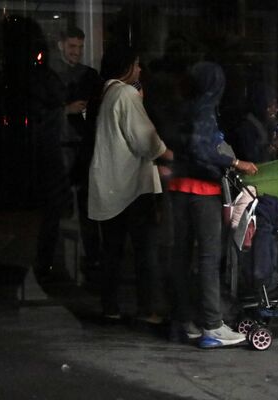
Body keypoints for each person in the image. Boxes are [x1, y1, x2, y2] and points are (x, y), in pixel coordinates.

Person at [168, 61, 258, 348]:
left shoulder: (182, 107)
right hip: (203, 192)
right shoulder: (205, 109)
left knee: (182, 257)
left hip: (178, 189)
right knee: (208, 258)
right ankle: (212, 326)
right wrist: (234, 161)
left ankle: (187, 321)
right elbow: (201, 147)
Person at [0, 15, 69, 285]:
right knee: (22, 253)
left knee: (15, 253)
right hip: (35, 182)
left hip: (24, 183)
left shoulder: (16, 85)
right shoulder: (34, 82)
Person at [88, 44, 173, 319]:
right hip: (132, 187)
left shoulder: (106, 93)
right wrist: (171, 155)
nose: (139, 70)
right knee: (145, 250)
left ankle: (109, 306)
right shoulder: (125, 93)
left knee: (111, 250)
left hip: (109, 184)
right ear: (124, 67)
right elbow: (145, 139)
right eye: (135, 64)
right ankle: (147, 308)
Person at [50, 26, 103, 283]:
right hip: (64, 146)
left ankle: (89, 257)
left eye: (79, 48)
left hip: (80, 147)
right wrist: (66, 110)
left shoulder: (87, 76)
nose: (76, 52)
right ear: (61, 45)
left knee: (84, 205)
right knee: (64, 206)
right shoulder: (53, 76)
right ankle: (61, 259)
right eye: (72, 47)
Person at [232, 82, 278, 163]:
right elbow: (253, 161)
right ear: (259, 105)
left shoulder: (267, 125)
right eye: (270, 105)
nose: (275, 109)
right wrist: (274, 145)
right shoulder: (246, 128)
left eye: (275, 104)